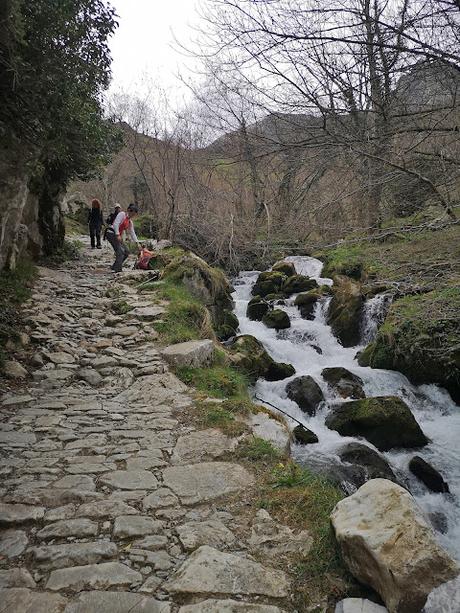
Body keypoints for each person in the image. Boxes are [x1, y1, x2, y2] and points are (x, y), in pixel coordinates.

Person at [105, 203, 140, 272]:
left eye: (134, 215)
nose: (132, 216)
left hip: (117, 236)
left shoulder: (130, 221)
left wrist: (137, 243)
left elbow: (132, 232)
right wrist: (118, 235)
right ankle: (118, 270)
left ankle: (115, 266)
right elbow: (116, 224)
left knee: (126, 252)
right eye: (132, 213)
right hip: (111, 233)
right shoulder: (122, 214)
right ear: (129, 211)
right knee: (120, 251)